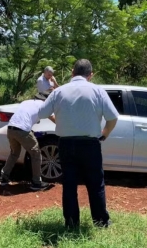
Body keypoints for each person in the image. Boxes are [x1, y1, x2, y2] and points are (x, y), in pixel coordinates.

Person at [38, 59, 119, 228]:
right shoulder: (98, 91)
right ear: (91, 75)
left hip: (66, 144)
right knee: (96, 183)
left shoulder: (59, 92)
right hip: (90, 144)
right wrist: (104, 134)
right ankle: (101, 222)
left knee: (69, 184)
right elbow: (113, 117)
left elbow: (43, 111)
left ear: (72, 72)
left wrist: (58, 120)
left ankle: (71, 222)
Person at [0, 91, 56, 191]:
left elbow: (25, 116)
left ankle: (3, 178)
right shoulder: (43, 105)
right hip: (22, 130)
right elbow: (54, 119)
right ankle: (36, 183)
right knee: (36, 153)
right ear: (46, 100)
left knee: (14, 153)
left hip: (10, 129)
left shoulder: (26, 102)